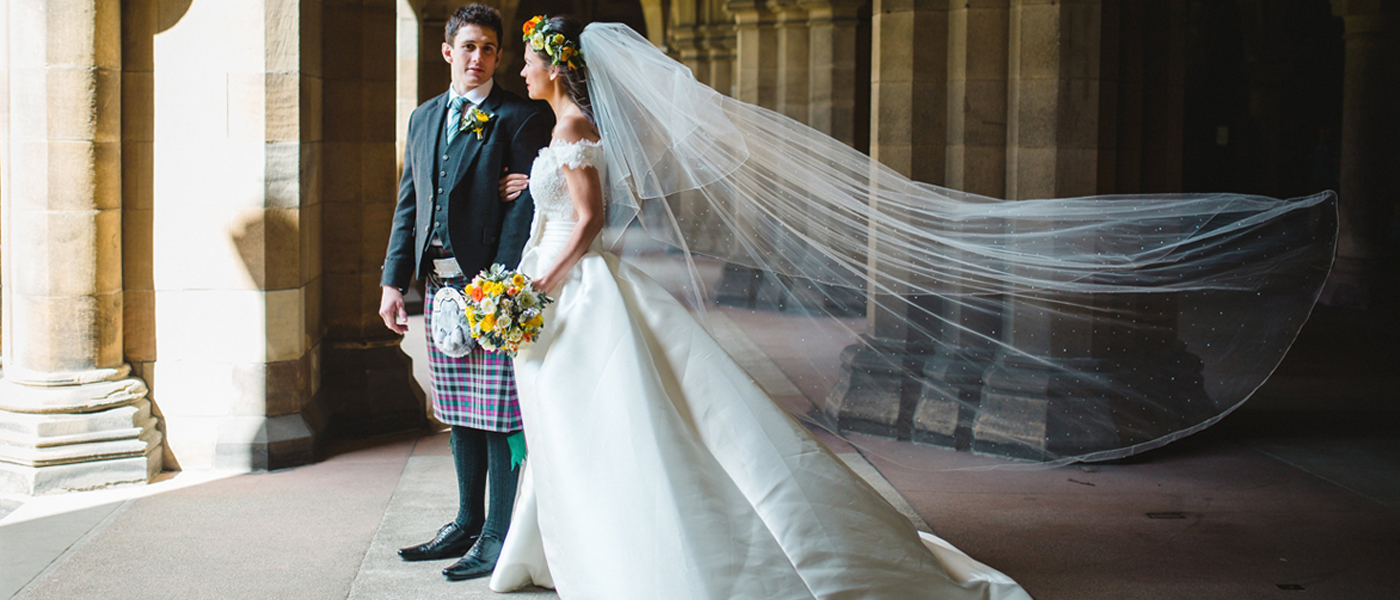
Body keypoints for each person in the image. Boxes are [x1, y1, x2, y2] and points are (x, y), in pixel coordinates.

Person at [489, 14, 1333, 600]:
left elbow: (593, 218)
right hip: (569, 289)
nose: (518, 66)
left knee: (617, 418)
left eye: (526, 57)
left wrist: (533, 283)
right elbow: (576, 201)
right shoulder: (562, 136)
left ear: (552, 65)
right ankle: (562, 540)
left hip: (572, 289)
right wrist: (540, 219)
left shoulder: (567, 133)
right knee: (586, 419)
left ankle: (626, 549)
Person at [377, 4, 551, 583]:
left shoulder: (520, 117)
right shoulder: (424, 118)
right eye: (469, 47)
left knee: (497, 414)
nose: (479, 59)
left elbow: (525, 207)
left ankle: (498, 537)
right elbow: (410, 204)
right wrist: (392, 283)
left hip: (489, 290)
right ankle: (466, 521)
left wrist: (498, 286)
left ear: (499, 56)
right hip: (437, 287)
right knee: (458, 412)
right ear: (448, 51)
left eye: (490, 49)